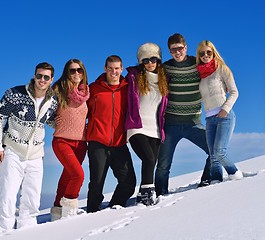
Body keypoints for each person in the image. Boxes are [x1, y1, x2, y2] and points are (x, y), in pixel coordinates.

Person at [0, 62, 58, 232]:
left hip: (36, 154)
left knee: (32, 199)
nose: (42, 80)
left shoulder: (53, 101)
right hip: (13, 151)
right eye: (39, 76)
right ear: (34, 76)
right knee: (7, 195)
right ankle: (3, 232)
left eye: (46, 77)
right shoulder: (14, 94)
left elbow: (51, 121)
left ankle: (27, 232)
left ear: (51, 79)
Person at [155, 33, 218, 197]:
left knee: (215, 150)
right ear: (170, 51)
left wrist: (222, 85)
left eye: (180, 48)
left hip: (193, 123)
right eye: (173, 49)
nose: (177, 52)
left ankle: (206, 181)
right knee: (163, 164)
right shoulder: (166, 68)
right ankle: (160, 193)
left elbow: (214, 70)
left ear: (186, 47)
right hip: (170, 124)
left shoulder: (197, 64)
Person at [86, 55, 137, 213]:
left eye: (116, 68)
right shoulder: (93, 88)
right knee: (96, 183)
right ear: (105, 69)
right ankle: (92, 212)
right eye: (110, 68)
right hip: (97, 142)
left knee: (129, 183)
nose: (113, 72)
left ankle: (113, 209)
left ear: (122, 69)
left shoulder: (128, 88)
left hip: (119, 143)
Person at [125, 43, 168, 206]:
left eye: (153, 59)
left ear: (158, 60)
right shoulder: (133, 77)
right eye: (146, 60)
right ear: (141, 63)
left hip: (156, 129)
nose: (150, 63)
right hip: (137, 126)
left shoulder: (164, 80)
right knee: (149, 158)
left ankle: (143, 193)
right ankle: (148, 193)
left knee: (151, 162)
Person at [196, 40, 243, 182]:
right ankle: (216, 182)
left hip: (225, 116)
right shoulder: (200, 75)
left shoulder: (222, 69)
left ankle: (236, 175)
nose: (205, 55)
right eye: (202, 53)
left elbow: (235, 92)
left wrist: (225, 109)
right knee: (213, 156)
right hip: (209, 119)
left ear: (213, 53)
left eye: (209, 52)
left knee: (219, 152)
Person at [50, 59, 90, 221]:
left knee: (68, 176)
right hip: (61, 141)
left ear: (83, 72)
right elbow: (44, 111)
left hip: (81, 143)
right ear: (67, 72)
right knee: (78, 175)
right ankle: (69, 213)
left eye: (79, 70)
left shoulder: (86, 92)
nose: (76, 74)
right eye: (72, 70)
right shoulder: (58, 90)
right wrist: (53, 123)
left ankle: (57, 210)